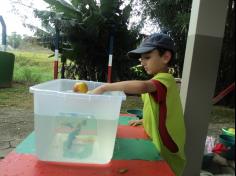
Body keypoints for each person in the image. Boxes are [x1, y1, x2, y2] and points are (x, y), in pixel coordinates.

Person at [91, 33, 186, 176]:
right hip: (155, 139)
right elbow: (158, 108)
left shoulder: (165, 80)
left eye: (147, 57)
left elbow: (142, 86)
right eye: (142, 59)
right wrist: (145, 120)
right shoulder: (157, 81)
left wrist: (105, 87)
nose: (142, 63)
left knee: (165, 171)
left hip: (166, 144)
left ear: (165, 57)